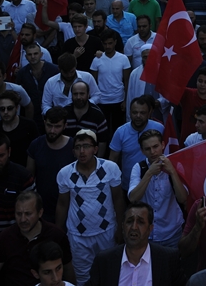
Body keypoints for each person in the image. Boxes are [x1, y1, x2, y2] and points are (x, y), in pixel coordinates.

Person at [56, 129, 125, 285]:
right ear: (73, 152)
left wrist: (120, 228)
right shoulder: (65, 173)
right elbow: (62, 204)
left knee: (109, 273)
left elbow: (118, 199)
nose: (82, 151)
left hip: (107, 232)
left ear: (95, 149)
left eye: (86, 146)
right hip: (78, 236)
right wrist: (59, 232)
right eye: (78, 147)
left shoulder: (110, 168)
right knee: (82, 277)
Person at [87, 202, 185, 286]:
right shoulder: (104, 261)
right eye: (129, 221)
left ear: (150, 229)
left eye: (140, 222)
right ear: (123, 227)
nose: (134, 227)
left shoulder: (168, 259)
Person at [128, 129, 188, 248]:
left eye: (155, 146)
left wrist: (172, 171)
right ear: (142, 151)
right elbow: (133, 198)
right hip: (146, 234)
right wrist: (149, 173)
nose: (153, 152)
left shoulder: (176, 165)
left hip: (172, 232)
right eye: (147, 149)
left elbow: (183, 198)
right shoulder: (139, 168)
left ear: (163, 145)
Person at [25, 106, 74, 226]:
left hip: (68, 207)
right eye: (49, 125)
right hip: (42, 207)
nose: (52, 130)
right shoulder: (36, 145)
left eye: (57, 126)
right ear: (44, 123)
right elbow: (29, 176)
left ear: (65, 126)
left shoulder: (73, 147)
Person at [107, 95, 164, 192]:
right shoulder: (120, 132)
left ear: (149, 113)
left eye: (142, 113)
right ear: (129, 112)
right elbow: (112, 160)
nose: (138, 116)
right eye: (135, 112)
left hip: (156, 186)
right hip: (128, 186)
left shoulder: (160, 128)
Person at [89, 28, 130, 132]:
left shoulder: (123, 59)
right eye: (105, 44)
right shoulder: (97, 60)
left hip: (119, 99)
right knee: (103, 129)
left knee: (118, 128)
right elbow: (93, 82)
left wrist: (125, 100)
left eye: (110, 43)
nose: (108, 46)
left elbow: (126, 81)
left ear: (115, 42)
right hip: (102, 100)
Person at [0, 90, 40, 167]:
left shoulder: (29, 125)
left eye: (9, 108)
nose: (6, 112)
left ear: (17, 108)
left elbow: (37, 150)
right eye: (2, 109)